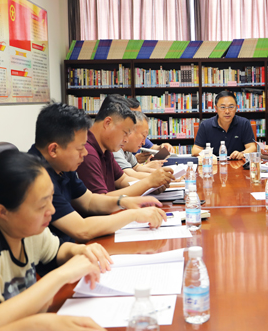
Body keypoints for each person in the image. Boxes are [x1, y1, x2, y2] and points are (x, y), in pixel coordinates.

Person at [0, 151, 110, 331]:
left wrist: (78, 251)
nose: (52, 210)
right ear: (2, 211)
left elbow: (56, 251)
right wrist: (61, 276)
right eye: (42, 205)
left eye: (51, 198)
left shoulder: (27, 227)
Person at [28, 103, 168, 243]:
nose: (85, 153)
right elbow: (81, 229)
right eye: (80, 148)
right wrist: (134, 215)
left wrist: (123, 201)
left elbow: (89, 201)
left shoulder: (61, 165)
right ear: (53, 150)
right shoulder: (36, 178)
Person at [76, 96, 175, 196]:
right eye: (125, 132)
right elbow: (99, 200)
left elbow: (122, 179)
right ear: (107, 123)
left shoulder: (106, 149)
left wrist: (151, 184)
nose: (126, 140)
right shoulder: (88, 152)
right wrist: (148, 183)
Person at [192, 90, 257, 159]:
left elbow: (252, 147)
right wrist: (208, 154)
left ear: (236, 108)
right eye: (223, 107)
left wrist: (242, 153)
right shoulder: (205, 125)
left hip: (237, 163)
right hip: (214, 163)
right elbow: (195, 150)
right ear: (216, 108)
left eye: (231, 107)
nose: (227, 111)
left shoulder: (244, 123)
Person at [113, 110, 166, 179]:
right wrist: (163, 176)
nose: (144, 143)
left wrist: (163, 173)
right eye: (143, 136)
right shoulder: (115, 149)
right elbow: (131, 175)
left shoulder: (126, 151)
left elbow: (137, 167)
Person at [125, 97, 174, 163]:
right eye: (136, 114)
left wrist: (162, 147)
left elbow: (152, 147)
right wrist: (134, 161)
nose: (140, 118)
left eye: (140, 114)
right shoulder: (119, 142)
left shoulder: (140, 135)